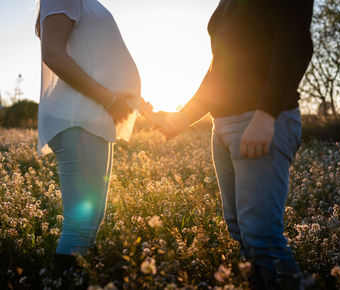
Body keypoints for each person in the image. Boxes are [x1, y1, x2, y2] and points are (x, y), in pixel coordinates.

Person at [148, 0, 315, 288]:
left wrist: (266, 115)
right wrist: (183, 117)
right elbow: (219, 69)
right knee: (239, 229)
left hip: (260, 121)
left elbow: (295, 44)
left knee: (261, 235)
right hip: (223, 125)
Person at [35, 0, 140, 270]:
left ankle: (79, 278)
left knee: (91, 217)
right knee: (80, 224)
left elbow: (94, 57)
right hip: (78, 117)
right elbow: (53, 54)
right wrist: (110, 99)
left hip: (89, 116)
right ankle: (62, 281)